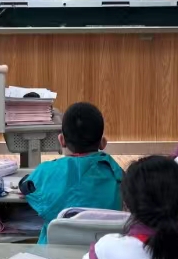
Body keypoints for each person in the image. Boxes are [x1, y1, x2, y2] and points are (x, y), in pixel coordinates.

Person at [20, 102, 123, 244]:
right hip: (103, 255)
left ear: (61, 140)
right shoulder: (117, 173)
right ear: (102, 143)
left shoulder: (46, 171)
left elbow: (25, 186)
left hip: (53, 255)